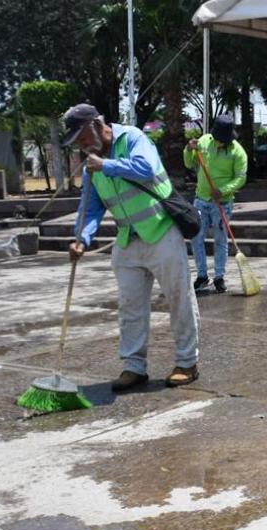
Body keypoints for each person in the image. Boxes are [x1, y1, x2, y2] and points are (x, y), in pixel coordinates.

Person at [63, 103, 200, 390]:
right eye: (77, 142)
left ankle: (187, 362)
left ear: (97, 125)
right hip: (128, 240)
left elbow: (145, 168)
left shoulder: (133, 138)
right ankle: (134, 366)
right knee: (130, 306)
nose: (82, 146)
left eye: (83, 138)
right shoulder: (91, 167)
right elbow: (90, 209)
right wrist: (81, 239)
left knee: (179, 298)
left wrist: (107, 165)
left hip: (161, 232)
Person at [184, 115, 248, 293]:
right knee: (196, 237)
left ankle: (219, 277)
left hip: (223, 202)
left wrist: (223, 190)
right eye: (218, 140)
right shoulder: (204, 142)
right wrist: (189, 149)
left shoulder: (238, 152)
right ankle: (202, 276)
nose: (220, 143)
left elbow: (241, 178)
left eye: (223, 141)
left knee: (220, 239)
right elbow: (189, 163)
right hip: (201, 200)